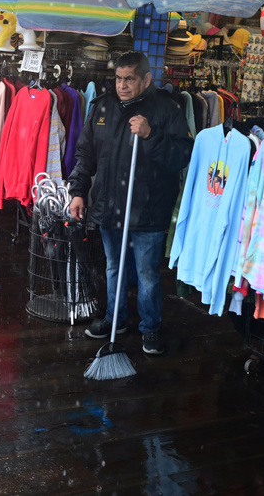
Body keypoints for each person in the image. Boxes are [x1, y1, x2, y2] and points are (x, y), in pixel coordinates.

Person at [68, 51, 193, 355]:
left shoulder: (167, 109)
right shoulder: (102, 108)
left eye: (130, 79)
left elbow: (182, 155)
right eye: (119, 78)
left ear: (146, 79)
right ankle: (115, 319)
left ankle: (149, 327)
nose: (122, 85)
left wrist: (151, 135)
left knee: (148, 273)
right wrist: (78, 191)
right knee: (114, 267)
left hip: (148, 209)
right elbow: (86, 154)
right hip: (110, 206)